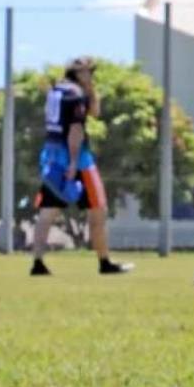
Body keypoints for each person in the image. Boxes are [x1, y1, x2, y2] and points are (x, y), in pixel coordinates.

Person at [30, 57, 131, 276]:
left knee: (47, 212)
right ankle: (105, 262)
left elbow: (93, 112)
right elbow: (76, 129)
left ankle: (37, 262)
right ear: (78, 73)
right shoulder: (75, 94)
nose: (91, 75)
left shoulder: (56, 90)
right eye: (88, 72)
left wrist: (91, 90)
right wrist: (74, 162)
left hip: (51, 156)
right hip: (77, 160)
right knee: (98, 211)